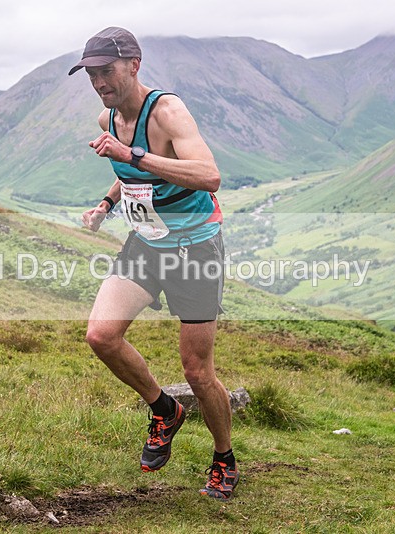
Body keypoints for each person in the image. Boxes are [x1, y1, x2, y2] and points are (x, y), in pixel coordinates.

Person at [70, 27, 238, 500]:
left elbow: (210, 176)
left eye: (107, 71)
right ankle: (164, 409)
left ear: (134, 65)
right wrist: (105, 204)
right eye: (91, 74)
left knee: (197, 372)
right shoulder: (107, 119)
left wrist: (133, 154)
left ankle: (223, 456)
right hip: (146, 245)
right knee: (101, 336)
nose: (99, 82)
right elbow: (131, 178)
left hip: (195, 251)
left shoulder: (167, 111)